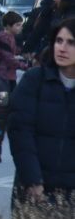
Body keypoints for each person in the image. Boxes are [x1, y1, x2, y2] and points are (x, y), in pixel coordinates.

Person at [7, 16, 75, 209]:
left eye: (71, 43)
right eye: (59, 41)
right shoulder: (34, 80)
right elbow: (20, 131)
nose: (62, 48)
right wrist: (33, 180)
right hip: (34, 190)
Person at [0, 12, 25, 103]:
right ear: (8, 26)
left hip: (9, 75)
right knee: (3, 100)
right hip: (2, 74)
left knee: (11, 98)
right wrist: (25, 66)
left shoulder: (10, 36)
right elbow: (9, 59)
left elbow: (13, 51)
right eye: (17, 25)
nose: (21, 27)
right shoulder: (4, 37)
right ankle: (1, 115)